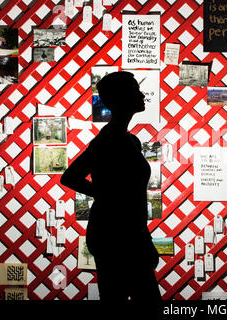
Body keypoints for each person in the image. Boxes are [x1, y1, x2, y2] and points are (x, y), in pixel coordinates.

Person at [60, 71, 161, 306]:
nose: (141, 94)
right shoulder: (109, 140)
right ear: (122, 98)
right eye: (135, 89)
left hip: (126, 234)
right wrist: (106, 195)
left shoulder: (129, 139)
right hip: (116, 237)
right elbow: (70, 177)